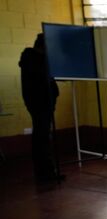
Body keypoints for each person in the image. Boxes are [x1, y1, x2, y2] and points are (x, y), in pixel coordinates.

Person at [19, 33, 61, 183]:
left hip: (41, 102)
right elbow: (44, 79)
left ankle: (47, 171)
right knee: (42, 138)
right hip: (40, 103)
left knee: (42, 137)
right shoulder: (34, 60)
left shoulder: (32, 59)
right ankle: (45, 173)